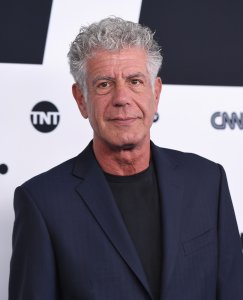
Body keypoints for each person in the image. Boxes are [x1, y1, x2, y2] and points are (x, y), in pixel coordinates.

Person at [9, 17, 243, 300]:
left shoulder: (208, 181)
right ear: (81, 99)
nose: (122, 98)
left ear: (155, 93)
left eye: (135, 81)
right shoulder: (42, 203)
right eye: (104, 84)